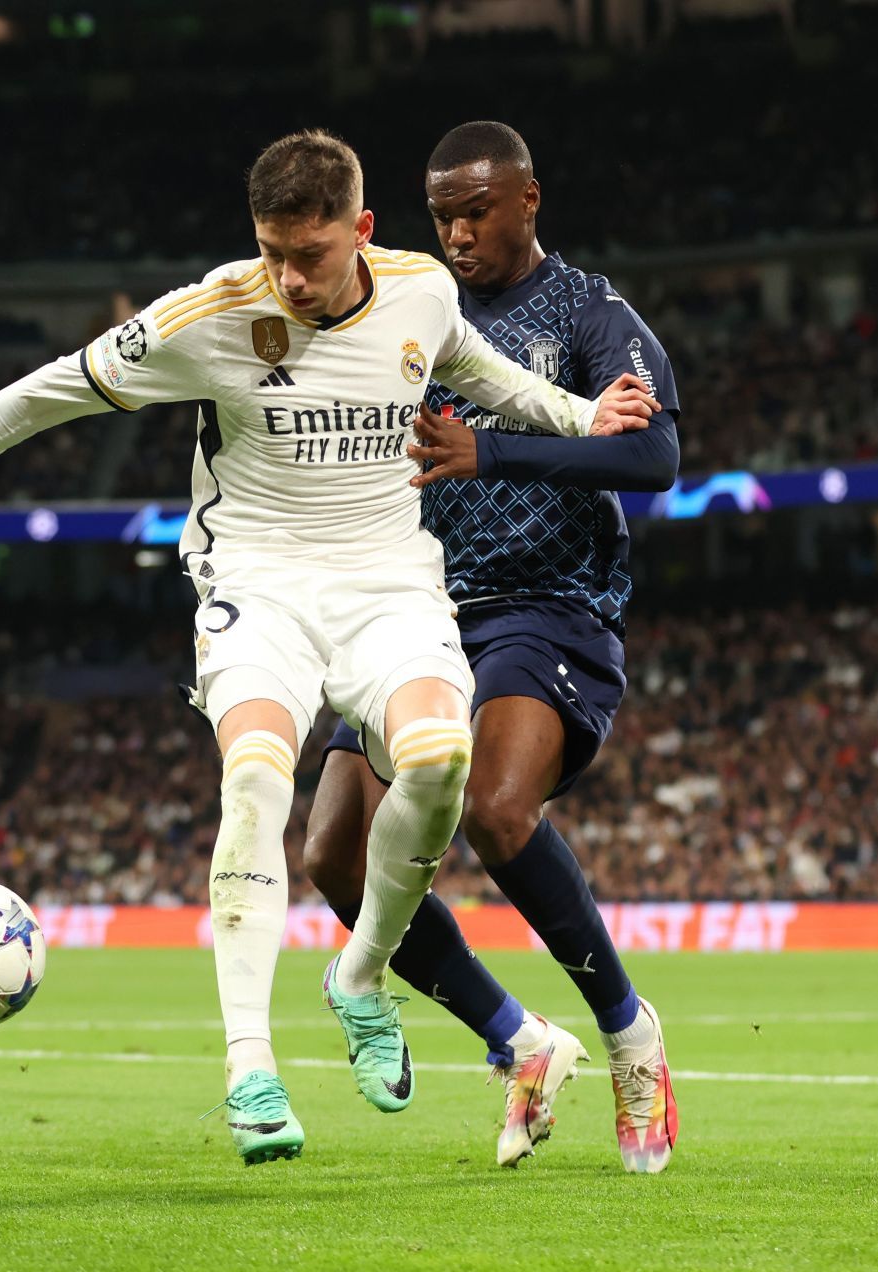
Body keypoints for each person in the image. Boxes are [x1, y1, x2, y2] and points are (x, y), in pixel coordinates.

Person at [0, 129, 659, 1165]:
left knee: (442, 762)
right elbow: (49, 389)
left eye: (309, 255)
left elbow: (493, 381)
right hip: (257, 584)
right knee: (258, 781)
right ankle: (249, 1064)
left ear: (361, 232)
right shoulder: (212, 314)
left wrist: (588, 417)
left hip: (387, 584)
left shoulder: (416, 294)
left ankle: (358, 976)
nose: (288, 277)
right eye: (271, 251)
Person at [303, 122, 681, 1173]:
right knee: (333, 854)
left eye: (478, 211)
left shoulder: (591, 313)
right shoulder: (413, 309)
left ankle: (629, 1035)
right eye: (442, 216)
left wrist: (494, 449)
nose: (460, 233)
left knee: (499, 809)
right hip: (410, 610)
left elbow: (654, 454)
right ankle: (518, 1037)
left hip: (548, 603)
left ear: (528, 200)